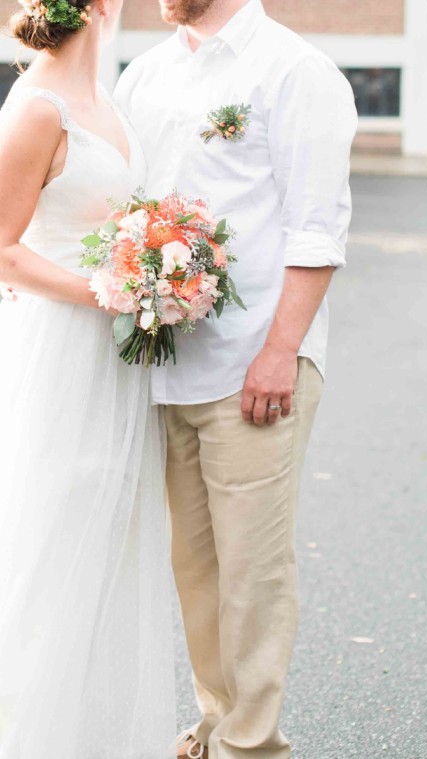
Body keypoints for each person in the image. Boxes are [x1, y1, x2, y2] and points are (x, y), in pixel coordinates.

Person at [114, 1, 356, 757]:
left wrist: (281, 349)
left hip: (256, 366)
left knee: (253, 570)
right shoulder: (144, 74)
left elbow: (318, 225)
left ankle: (252, 745)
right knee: (194, 567)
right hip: (165, 366)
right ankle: (218, 717)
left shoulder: (296, 71)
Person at [0, 0, 177, 756]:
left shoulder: (111, 104)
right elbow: (4, 249)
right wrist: (110, 293)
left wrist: (166, 268)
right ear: (101, 7)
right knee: (54, 534)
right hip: (62, 349)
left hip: (119, 360)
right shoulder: (37, 107)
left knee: (110, 542)